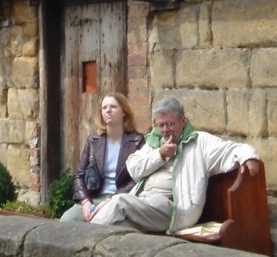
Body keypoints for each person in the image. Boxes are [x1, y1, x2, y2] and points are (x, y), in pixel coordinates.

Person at [90, 97, 260, 234]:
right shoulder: (154, 142)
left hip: (172, 208)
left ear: (183, 121)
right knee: (118, 227)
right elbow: (133, 167)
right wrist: (160, 155)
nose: (165, 130)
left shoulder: (199, 141)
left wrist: (249, 157)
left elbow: (232, 149)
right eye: (161, 125)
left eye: (170, 124)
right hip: (143, 202)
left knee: (120, 202)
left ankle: (84, 238)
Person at [59, 92, 145, 222]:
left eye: (113, 107)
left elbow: (138, 178)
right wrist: (85, 201)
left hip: (119, 199)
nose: (108, 110)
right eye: (104, 108)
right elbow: (79, 175)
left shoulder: (137, 141)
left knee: (100, 224)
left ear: (124, 112)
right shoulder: (93, 140)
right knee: (66, 221)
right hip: (94, 197)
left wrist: (111, 199)